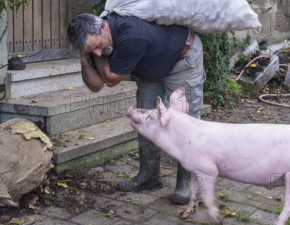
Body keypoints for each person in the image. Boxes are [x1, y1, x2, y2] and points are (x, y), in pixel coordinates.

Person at [67, 12, 205, 204]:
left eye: (98, 47)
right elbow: (95, 85)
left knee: (186, 120)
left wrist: (96, 55)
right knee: (145, 119)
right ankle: (149, 176)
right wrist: (85, 57)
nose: (98, 53)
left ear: (104, 27)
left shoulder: (131, 35)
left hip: (181, 59)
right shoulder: (96, 41)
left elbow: (110, 80)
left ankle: (185, 182)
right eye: (92, 51)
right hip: (150, 65)